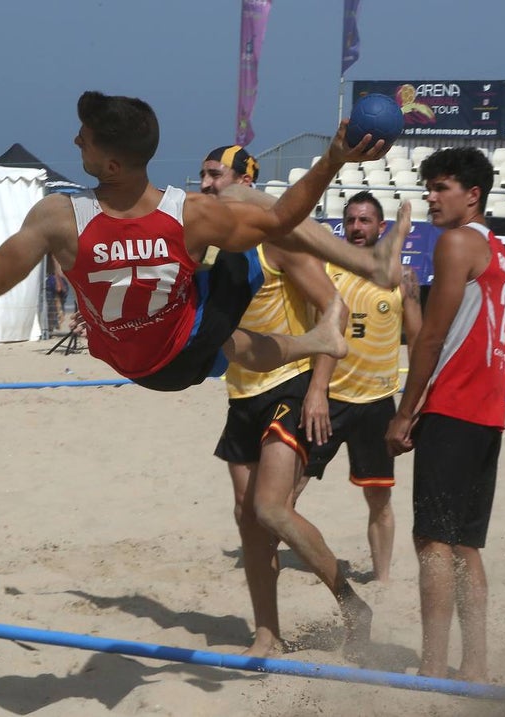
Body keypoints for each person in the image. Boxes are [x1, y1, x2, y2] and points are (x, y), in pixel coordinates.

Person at [0, 91, 402, 389]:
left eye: (84, 141)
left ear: (110, 162)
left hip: (136, 364)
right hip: (181, 346)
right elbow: (283, 218)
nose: (75, 142)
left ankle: (318, 338)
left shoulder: (57, 219)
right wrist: (332, 159)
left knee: (229, 342)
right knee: (250, 208)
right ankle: (364, 265)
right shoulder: (191, 215)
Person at [202, 145, 363, 657]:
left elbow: (335, 308)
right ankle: (267, 633)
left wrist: (319, 387)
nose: (205, 183)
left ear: (244, 180)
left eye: (214, 174)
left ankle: (352, 602)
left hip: (291, 382)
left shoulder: (276, 238)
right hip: (242, 388)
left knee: (271, 509)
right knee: (247, 520)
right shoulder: (208, 242)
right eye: (203, 175)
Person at [385, 147, 505, 681]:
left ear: (473, 194)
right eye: (429, 188)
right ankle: (476, 665)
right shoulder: (501, 251)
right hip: (488, 411)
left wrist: (404, 411)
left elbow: (432, 338)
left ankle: (434, 665)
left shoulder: (457, 242)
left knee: (433, 540)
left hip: (455, 406)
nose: (431, 198)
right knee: (464, 543)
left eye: (441, 188)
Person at [304, 191, 422, 583]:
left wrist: (414, 402)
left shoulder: (401, 278)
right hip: (328, 398)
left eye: (365, 220)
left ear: (380, 228)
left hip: (376, 403)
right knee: (286, 489)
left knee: (379, 499)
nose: (356, 227)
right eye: (351, 220)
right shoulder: (326, 271)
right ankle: (276, 555)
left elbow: (418, 340)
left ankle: (383, 579)